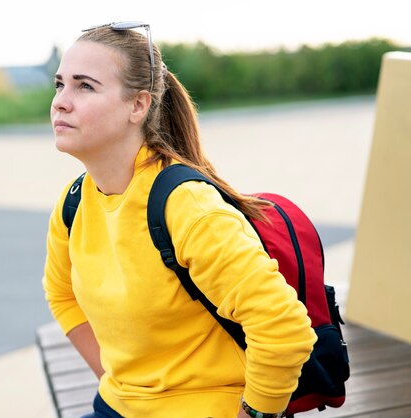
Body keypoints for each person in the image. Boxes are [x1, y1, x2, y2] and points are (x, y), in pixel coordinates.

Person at [42, 21, 316, 418]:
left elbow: (284, 330)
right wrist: (125, 385)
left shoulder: (187, 206)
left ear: (138, 105)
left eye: (84, 86)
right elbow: (61, 294)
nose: (61, 102)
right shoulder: (73, 205)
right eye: (60, 84)